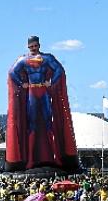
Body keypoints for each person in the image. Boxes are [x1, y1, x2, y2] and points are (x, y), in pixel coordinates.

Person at [6, 35, 79, 173]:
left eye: (35, 45)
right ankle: (30, 160)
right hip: (32, 93)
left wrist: (51, 82)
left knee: (48, 124)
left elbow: (59, 70)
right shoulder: (23, 60)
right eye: (31, 46)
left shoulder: (47, 58)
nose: (33, 48)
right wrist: (23, 84)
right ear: (28, 47)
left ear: (39, 45)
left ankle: (55, 158)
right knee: (32, 125)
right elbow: (12, 73)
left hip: (43, 92)